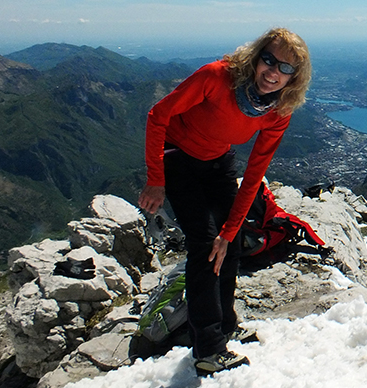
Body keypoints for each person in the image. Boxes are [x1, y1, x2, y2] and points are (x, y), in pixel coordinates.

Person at [137, 27, 311, 376]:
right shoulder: (217, 77)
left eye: (286, 69)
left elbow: (255, 171)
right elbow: (158, 115)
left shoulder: (278, 111)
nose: (273, 72)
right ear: (256, 56)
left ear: (294, 78)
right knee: (204, 244)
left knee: (228, 243)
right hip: (178, 157)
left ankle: (224, 326)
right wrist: (156, 179)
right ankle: (208, 350)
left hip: (217, 161)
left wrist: (231, 228)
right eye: (269, 60)